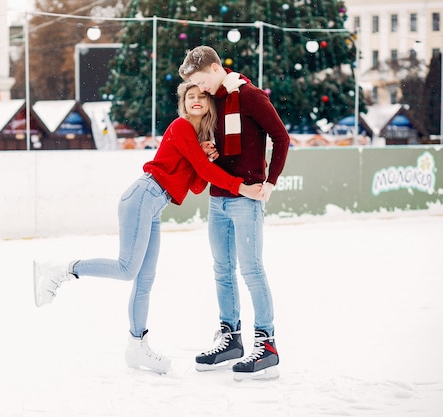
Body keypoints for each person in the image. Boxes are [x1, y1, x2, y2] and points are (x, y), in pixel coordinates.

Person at [33, 82, 263, 375]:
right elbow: (205, 174)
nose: (195, 100)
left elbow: (195, 185)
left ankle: (136, 345)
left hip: (156, 204)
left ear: (208, 104)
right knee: (127, 268)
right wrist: (240, 186)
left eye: (200, 96)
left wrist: (205, 156)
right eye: (189, 96)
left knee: (145, 279)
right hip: (143, 195)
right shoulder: (181, 127)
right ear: (183, 103)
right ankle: (62, 269)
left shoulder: (198, 138)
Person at [179, 46, 290, 380]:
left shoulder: (249, 96)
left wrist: (270, 182)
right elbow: (221, 140)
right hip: (219, 199)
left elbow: (281, 138)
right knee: (222, 270)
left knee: (252, 270)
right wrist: (209, 148)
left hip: (247, 199)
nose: (202, 90)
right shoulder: (217, 98)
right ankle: (230, 338)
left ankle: (267, 344)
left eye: (202, 81)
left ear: (215, 68)